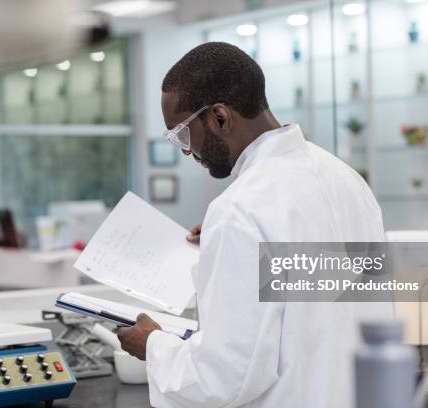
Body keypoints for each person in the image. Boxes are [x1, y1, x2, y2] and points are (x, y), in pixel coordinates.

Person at [117, 42, 390, 407]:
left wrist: (153, 346)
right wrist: (226, 246)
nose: (184, 150)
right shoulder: (347, 179)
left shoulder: (239, 209)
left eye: (182, 134)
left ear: (219, 117)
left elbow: (225, 377)